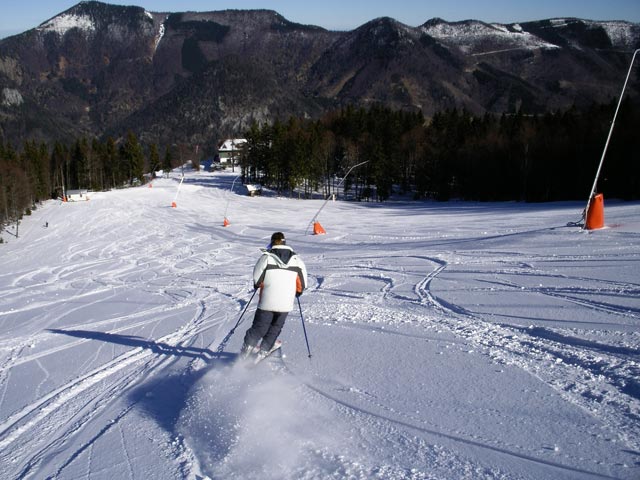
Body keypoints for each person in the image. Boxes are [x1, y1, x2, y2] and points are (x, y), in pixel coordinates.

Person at [241, 232, 307, 360]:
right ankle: (264, 350)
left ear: (272, 242)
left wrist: (258, 284)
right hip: (286, 302)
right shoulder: (296, 260)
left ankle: (248, 348)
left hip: (267, 300)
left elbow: (257, 278)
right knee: (275, 327)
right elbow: (302, 281)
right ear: (285, 242)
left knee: (260, 326)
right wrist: (298, 291)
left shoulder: (266, 258)